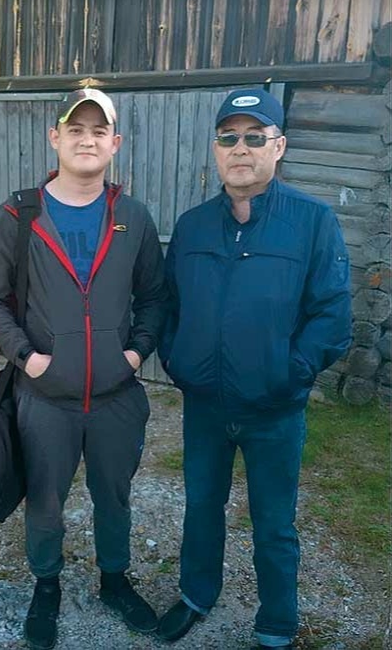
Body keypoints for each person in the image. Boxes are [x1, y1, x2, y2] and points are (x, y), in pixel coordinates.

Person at [157, 88, 351, 649]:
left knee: (273, 522)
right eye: (228, 137)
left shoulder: (312, 222)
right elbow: (168, 304)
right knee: (201, 507)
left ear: (278, 146)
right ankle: (196, 595)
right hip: (206, 406)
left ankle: (276, 624)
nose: (239, 148)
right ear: (216, 149)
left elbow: (332, 314)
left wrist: (289, 374)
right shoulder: (193, 226)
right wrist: (178, 360)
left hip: (274, 410)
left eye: (254, 136)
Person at [0, 88, 167, 650]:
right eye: (75, 129)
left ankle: (114, 581)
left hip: (115, 397)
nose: (87, 140)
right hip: (44, 398)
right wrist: (26, 357)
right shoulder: (20, 213)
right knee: (45, 503)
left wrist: (135, 353)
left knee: (115, 498)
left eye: (98, 130)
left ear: (116, 143)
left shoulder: (133, 216)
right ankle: (47, 586)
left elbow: (155, 296)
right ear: (55, 137)